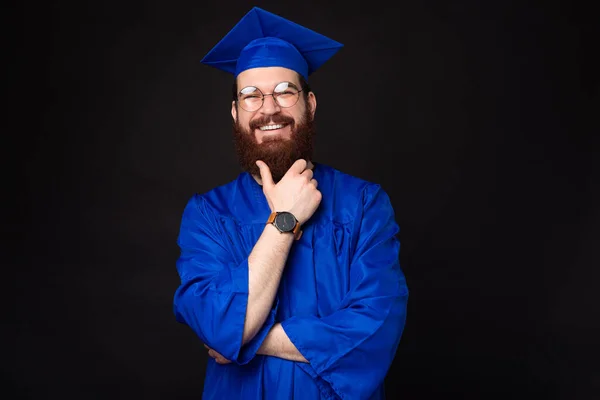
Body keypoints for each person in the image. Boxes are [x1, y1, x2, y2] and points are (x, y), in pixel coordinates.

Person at [173, 7, 409, 399]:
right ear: (235, 114)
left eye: (285, 91)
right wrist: (285, 219)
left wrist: (243, 339)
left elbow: (375, 326)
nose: (268, 108)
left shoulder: (364, 205)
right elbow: (211, 321)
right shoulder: (208, 215)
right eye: (251, 96)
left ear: (310, 104)